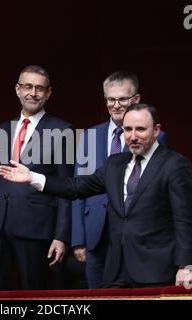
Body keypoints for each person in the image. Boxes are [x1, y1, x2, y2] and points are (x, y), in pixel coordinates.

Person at [0, 103, 192, 288]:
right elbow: (77, 187)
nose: (133, 136)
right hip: (116, 271)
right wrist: (33, 177)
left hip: (157, 271)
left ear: (156, 130)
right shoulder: (115, 164)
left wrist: (185, 266)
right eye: (128, 130)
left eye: (141, 129)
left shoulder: (175, 164)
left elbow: (184, 221)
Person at [0, 65, 74, 291]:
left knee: (33, 291)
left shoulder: (63, 130)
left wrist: (61, 236)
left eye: (40, 88)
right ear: (17, 90)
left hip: (36, 227)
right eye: (28, 86)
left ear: (48, 93)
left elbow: (67, 187)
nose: (33, 93)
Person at [72, 71, 168, 288]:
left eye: (122, 99)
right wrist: (78, 239)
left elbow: (155, 192)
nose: (116, 105)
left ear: (136, 100)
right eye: (110, 99)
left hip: (134, 236)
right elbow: (78, 189)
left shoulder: (155, 137)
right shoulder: (89, 136)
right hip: (95, 234)